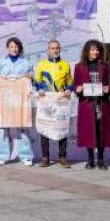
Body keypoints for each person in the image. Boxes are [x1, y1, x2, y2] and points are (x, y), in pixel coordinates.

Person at [74, 39, 110, 170]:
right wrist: (78, 89)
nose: (95, 52)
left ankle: (101, 159)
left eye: (97, 49)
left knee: (100, 131)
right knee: (89, 131)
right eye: (92, 49)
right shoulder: (79, 66)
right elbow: (75, 84)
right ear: (87, 51)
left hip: (102, 103)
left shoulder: (105, 66)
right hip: (87, 104)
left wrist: (109, 88)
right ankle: (90, 159)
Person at [0, 37, 34, 165]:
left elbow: (33, 77)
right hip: (5, 100)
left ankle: (26, 155)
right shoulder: (0, 63)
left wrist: (30, 76)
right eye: (11, 46)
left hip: (20, 100)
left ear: (19, 48)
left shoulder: (26, 63)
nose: (14, 49)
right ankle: (2, 155)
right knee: (3, 126)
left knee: (23, 126)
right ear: (8, 48)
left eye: (16, 46)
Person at [34, 40, 73, 168]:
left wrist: (68, 89)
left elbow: (70, 81)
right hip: (46, 100)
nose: (55, 50)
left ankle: (62, 157)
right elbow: (36, 81)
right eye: (52, 48)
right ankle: (45, 158)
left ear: (60, 49)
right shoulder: (41, 64)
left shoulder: (66, 64)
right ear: (48, 50)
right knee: (45, 129)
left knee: (61, 127)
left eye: (57, 48)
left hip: (61, 100)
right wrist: (38, 90)